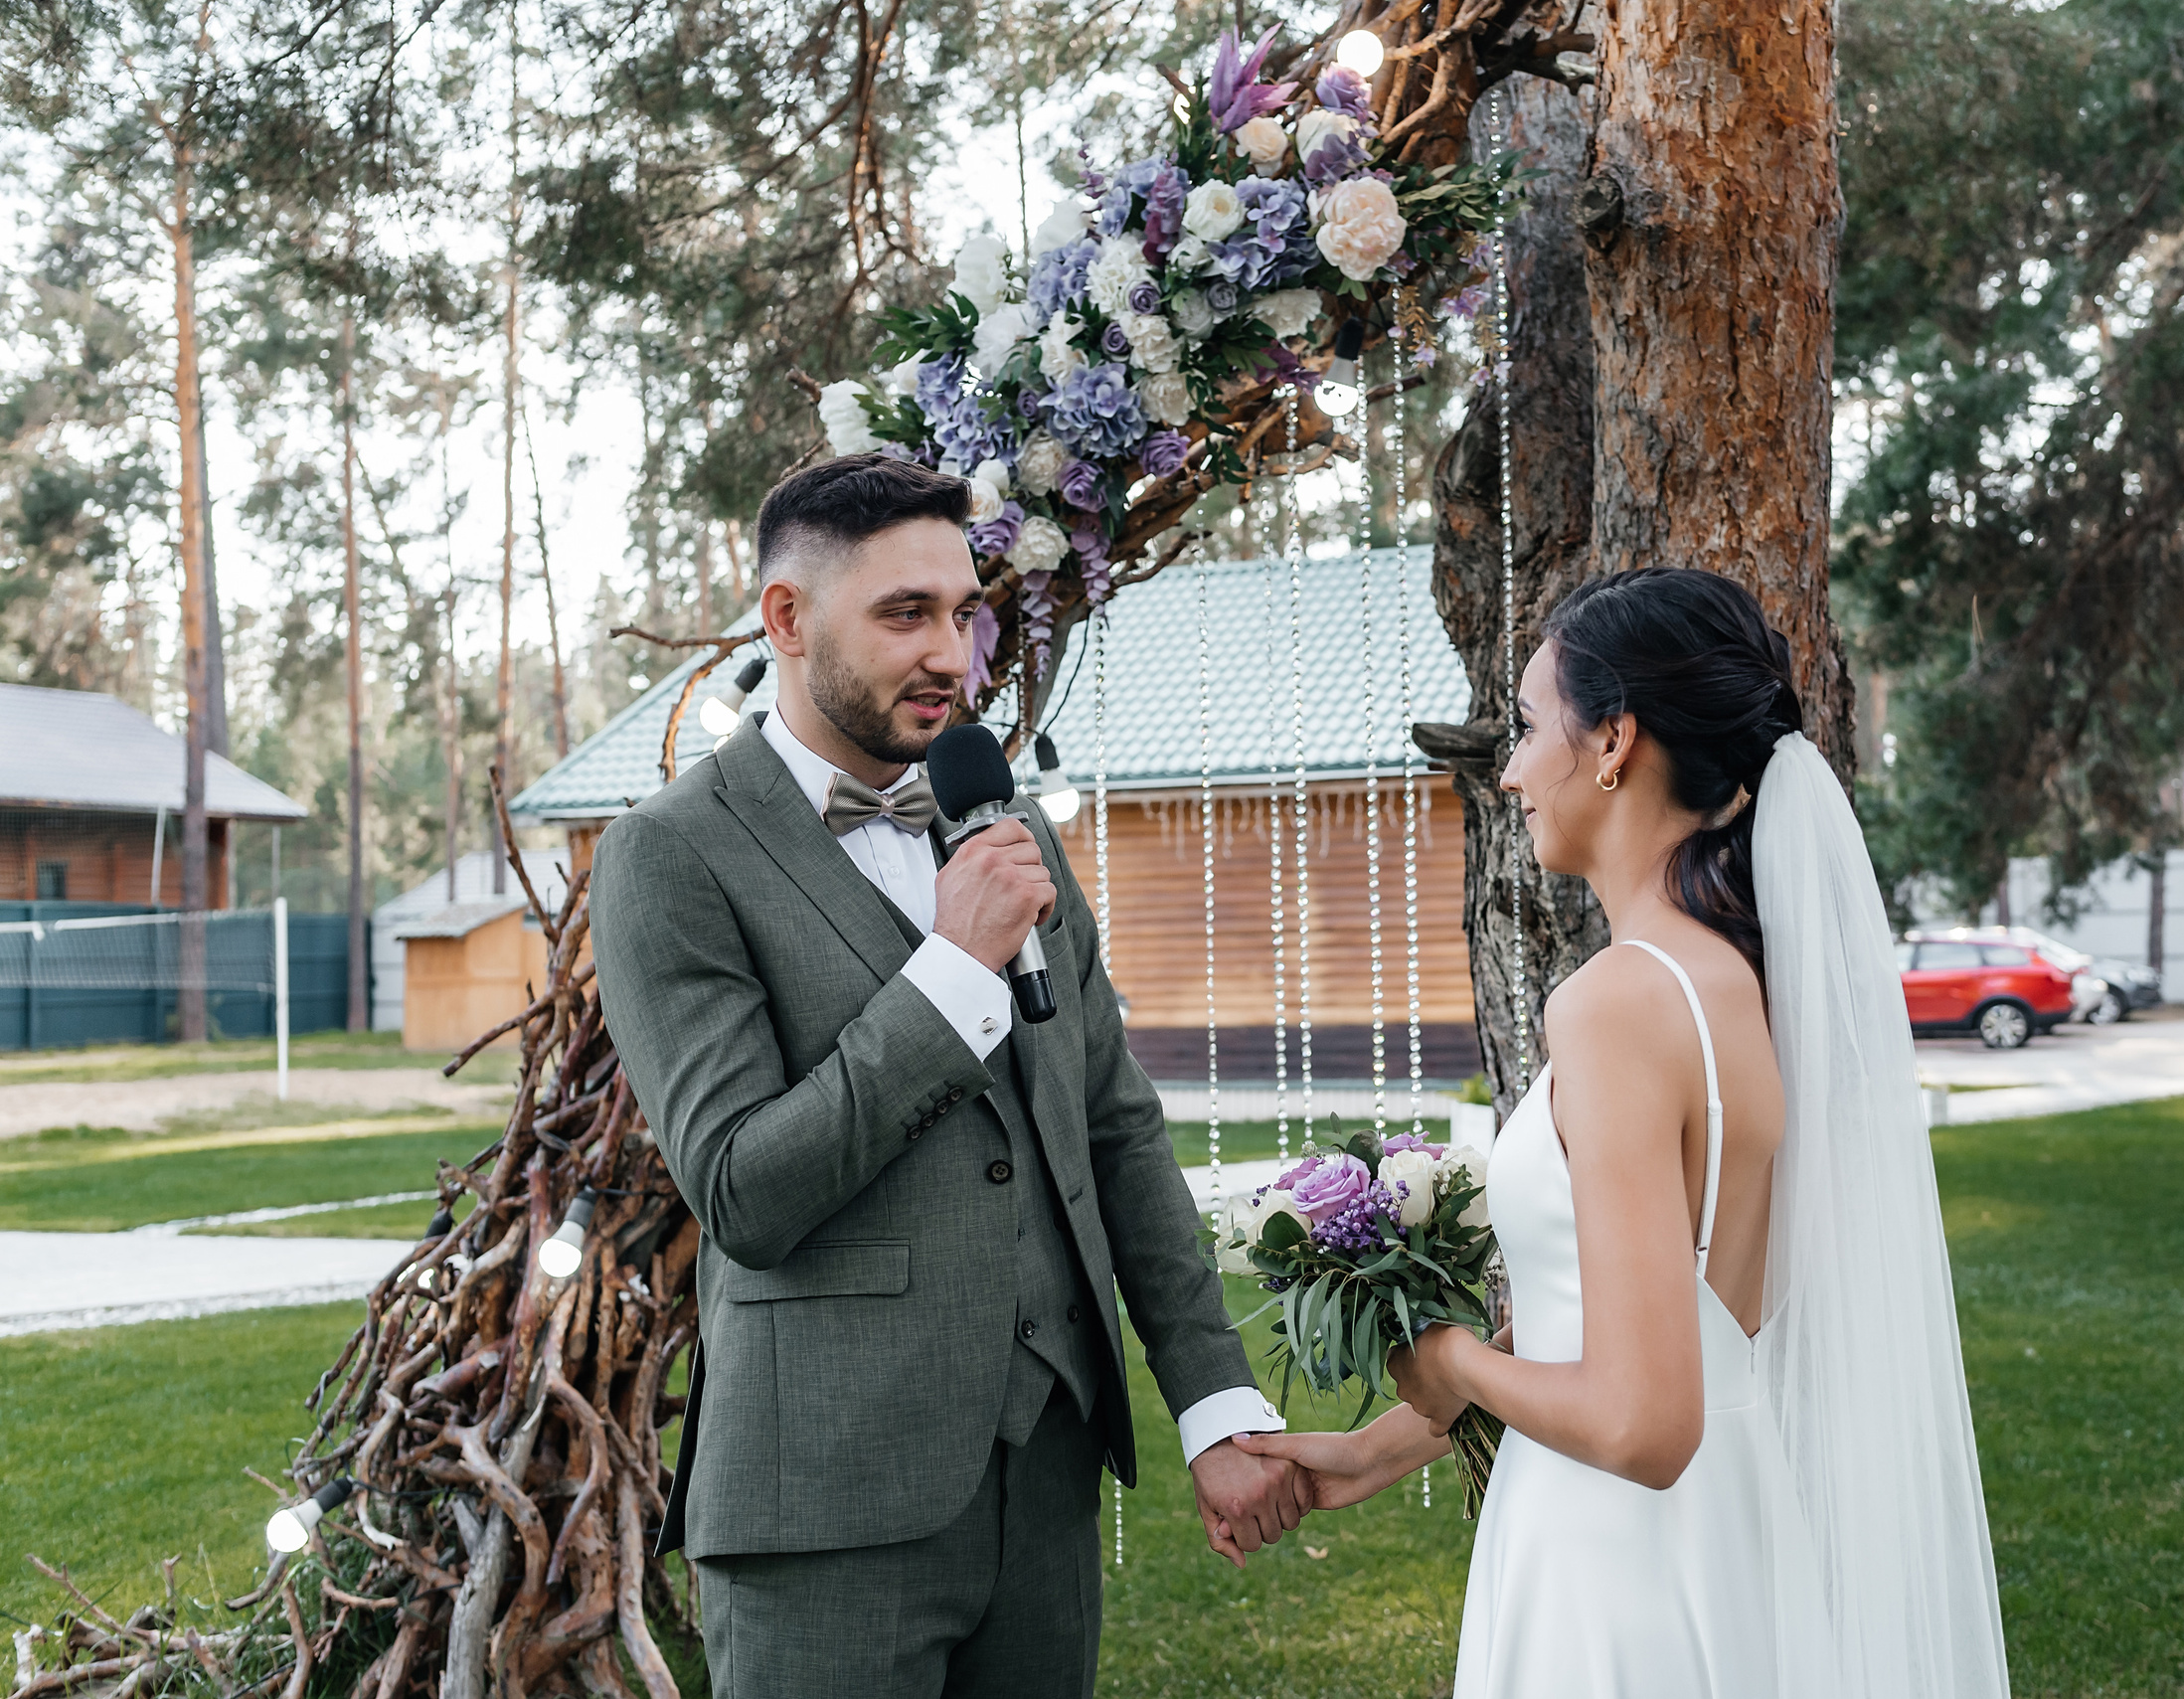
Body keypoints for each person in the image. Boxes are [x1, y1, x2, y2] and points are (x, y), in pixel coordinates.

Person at [589, 453, 1306, 1699]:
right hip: (823, 1502)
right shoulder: (670, 855)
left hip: (1043, 1478)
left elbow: (1117, 1133)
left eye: (963, 611)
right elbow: (744, 1189)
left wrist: (1216, 1403)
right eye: (904, 613)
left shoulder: (1001, 828)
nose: (951, 655)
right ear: (788, 618)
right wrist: (949, 972)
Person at [1238, 569, 2011, 1698]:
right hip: (1737, 1534)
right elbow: (1661, 1332)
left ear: (1612, 741)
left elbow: (1644, 1423)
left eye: (1527, 724)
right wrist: (1375, 1447)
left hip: (1612, 1566)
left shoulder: (1617, 1001)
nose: (1507, 769)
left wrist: (1443, 1353)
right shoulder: (1748, 979)